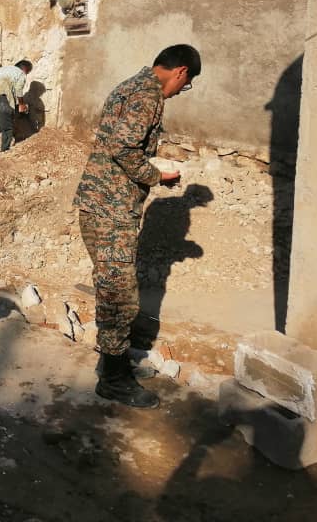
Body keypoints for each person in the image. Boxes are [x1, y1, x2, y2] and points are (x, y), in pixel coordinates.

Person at [74, 44, 201, 409]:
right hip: (110, 209)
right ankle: (113, 380)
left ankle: (110, 361)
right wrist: (157, 175)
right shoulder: (148, 95)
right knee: (119, 294)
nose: (181, 91)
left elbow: (120, 144)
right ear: (180, 73)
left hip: (103, 203)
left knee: (114, 287)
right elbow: (123, 148)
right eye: (186, 83)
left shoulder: (130, 85)